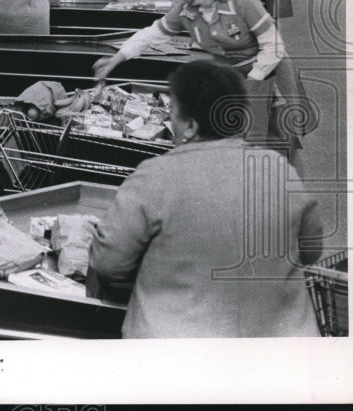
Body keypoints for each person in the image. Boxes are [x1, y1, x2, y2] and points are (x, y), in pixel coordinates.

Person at [89, 59, 323, 339]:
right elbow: (310, 250)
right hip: (278, 355)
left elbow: (108, 263)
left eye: (172, 113)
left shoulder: (154, 176)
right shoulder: (280, 169)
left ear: (189, 126)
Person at [93, 0, 309, 173]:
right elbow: (151, 34)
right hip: (231, 77)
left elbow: (273, 46)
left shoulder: (241, 2)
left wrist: (253, 81)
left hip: (267, 71)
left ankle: (284, 190)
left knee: (275, 138)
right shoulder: (186, 11)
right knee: (232, 137)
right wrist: (115, 59)